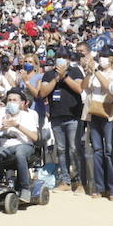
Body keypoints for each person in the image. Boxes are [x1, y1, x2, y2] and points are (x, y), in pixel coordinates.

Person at [36, 47, 84, 192]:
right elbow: (42, 93)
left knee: (75, 149)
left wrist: (65, 77)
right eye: (59, 56)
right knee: (61, 150)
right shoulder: (49, 74)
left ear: (69, 59)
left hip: (73, 116)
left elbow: (80, 88)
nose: (62, 59)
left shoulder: (75, 71)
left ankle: (80, 181)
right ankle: (65, 181)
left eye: (65, 57)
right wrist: (57, 78)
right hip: (56, 117)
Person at [82, 49, 113, 200]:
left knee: (110, 150)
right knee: (97, 150)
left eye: (105, 56)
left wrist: (97, 70)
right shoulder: (94, 71)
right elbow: (84, 87)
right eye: (101, 57)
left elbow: (109, 87)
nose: (102, 59)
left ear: (112, 58)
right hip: (94, 112)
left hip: (108, 113)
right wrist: (88, 72)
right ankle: (100, 187)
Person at [0, 89, 40, 201]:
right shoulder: (2, 113)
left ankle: (25, 189)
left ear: (22, 103)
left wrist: (17, 125)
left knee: (20, 153)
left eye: (14, 100)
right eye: (9, 100)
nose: (11, 103)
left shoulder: (27, 116)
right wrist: (2, 128)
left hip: (25, 145)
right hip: (6, 146)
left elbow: (35, 137)